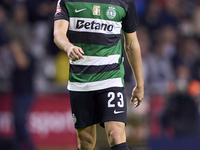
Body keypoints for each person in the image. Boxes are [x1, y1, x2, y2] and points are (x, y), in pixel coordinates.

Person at [53, 0, 144, 149]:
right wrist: (68, 47)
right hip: (80, 80)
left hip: (111, 78)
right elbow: (58, 33)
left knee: (116, 134)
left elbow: (131, 43)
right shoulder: (67, 1)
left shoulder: (125, 2)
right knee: (85, 141)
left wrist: (139, 84)